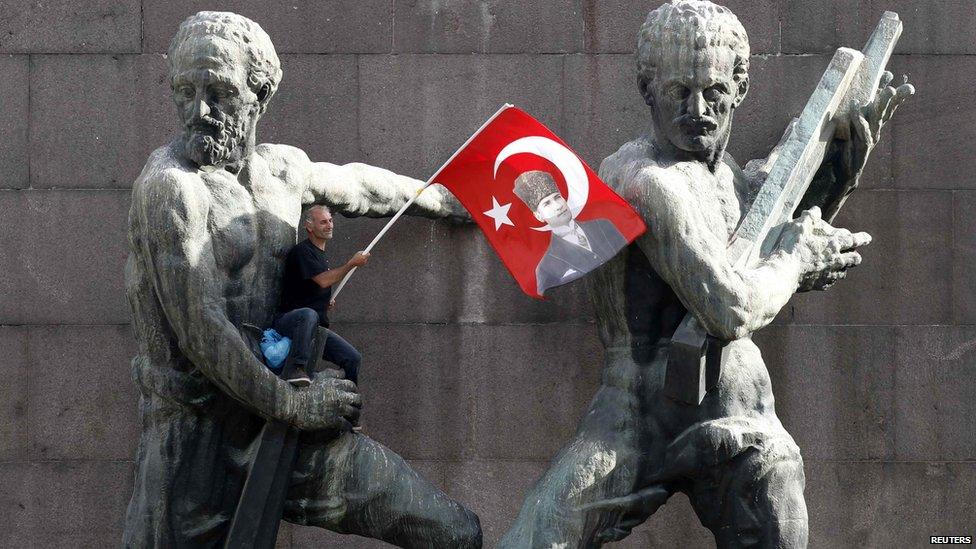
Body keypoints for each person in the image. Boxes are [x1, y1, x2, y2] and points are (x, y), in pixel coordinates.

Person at [499, 1, 912, 547]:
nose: (699, 109)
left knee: (780, 505)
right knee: (539, 536)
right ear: (649, 90)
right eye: (679, 92)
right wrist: (796, 262)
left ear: (739, 89)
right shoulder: (646, 180)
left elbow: (770, 231)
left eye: (715, 92)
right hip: (637, 415)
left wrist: (839, 164)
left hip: (735, 407)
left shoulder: (727, 177)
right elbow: (729, 306)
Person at [124, 11, 480, 547]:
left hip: (285, 419)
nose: (197, 111)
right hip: (197, 446)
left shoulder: (282, 170)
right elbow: (202, 332)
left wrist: (443, 200)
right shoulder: (170, 189)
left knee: (454, 532)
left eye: (218, 92)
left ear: (258, 95)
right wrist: (292, 404)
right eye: (184, 91)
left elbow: (358, 186)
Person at [274, 205, 367, 387]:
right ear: (310, 227)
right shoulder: (303, 251)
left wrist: (324, 302)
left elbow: (312, 288)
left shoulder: (321, 256)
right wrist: (351, 264)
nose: (329, 225)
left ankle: (348, 396)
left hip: (314, 328)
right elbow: (323, 281)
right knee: (309, 314)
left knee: (353, 358)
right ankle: (296, 368)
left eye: (330, 220)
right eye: (323, 222)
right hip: (290, 322)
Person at [512, 170, 628, 294]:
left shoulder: (603, 226)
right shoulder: (546, 268)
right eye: (547, 204)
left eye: (557, 197)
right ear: (538, 216)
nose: (558, 206)